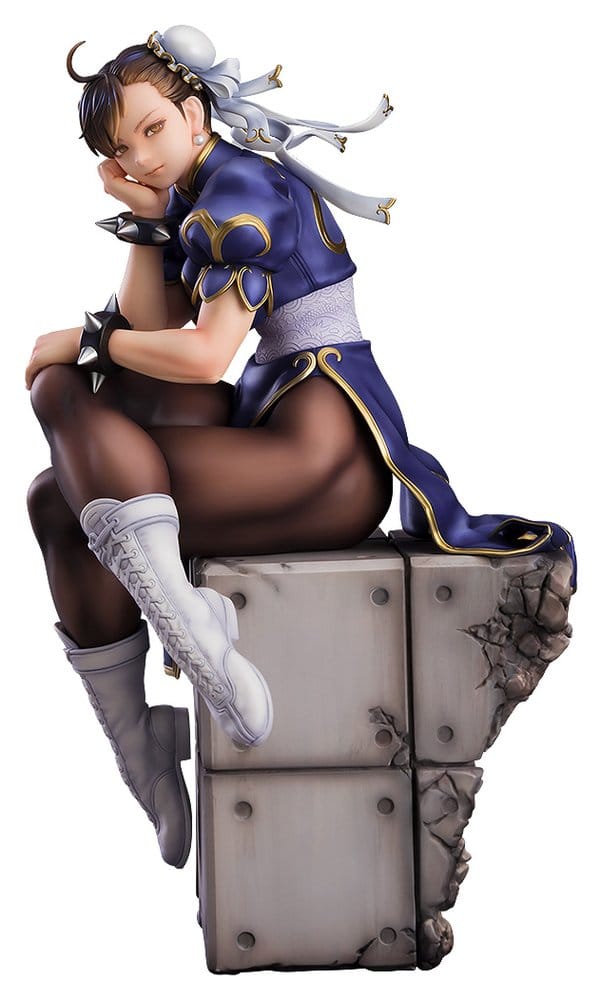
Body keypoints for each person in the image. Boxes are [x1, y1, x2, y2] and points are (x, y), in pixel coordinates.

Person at [25, 25, 576, 871]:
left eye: (152, 129)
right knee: (54, 482)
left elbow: (201, 356)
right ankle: (147, 736)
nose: (141, 156)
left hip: (323, 459)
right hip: (280, 420)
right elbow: (149, 329)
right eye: (120, 148)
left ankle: (179, 667)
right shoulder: (198, 191)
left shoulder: (240, 194)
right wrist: (143, 222)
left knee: (63, 393)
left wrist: (84, 339)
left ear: (196, 111)